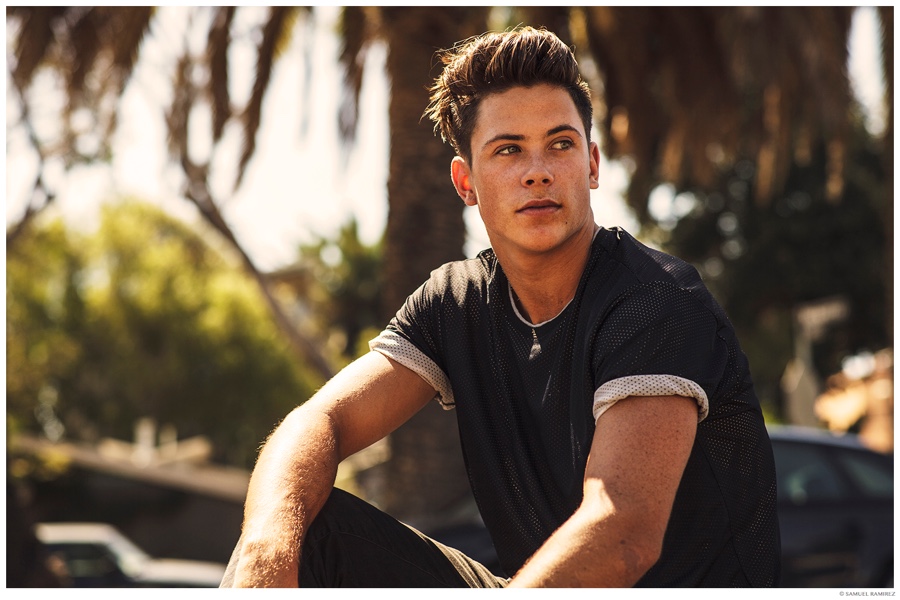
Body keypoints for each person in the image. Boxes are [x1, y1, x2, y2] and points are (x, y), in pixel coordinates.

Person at [221, 26, 780, 588]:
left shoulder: (654, 299)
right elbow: (320, 420)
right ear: (465, 182)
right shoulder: (456, 302)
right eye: (508, 149)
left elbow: (623, 536)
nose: (538, 170)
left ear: (592, 164)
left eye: (560, 144)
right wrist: (266, 553)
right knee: (304, 527)